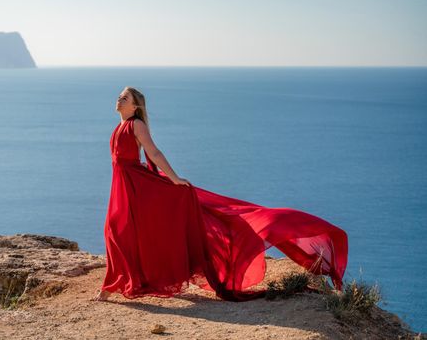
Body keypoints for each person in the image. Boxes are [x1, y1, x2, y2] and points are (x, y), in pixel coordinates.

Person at [92, 86, 348, 302]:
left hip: (140, 187)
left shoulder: (136, 125)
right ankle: (118, 283)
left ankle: (109, 288)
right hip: (126, 188)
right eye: (120, 96)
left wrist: (175, 179)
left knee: (119, 231)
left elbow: (154, 154)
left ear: (135, 106)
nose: (119, 99)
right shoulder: (120, 127)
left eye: (125, 97)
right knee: (115, 231)